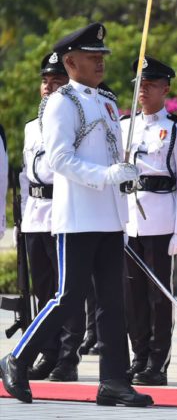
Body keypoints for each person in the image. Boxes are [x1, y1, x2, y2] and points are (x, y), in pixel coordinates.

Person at [0, 22, 153, 407]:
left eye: (102, 56)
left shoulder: (106, 102)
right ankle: (17, 358)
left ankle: (113, 380)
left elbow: (109, 154)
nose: (100, 62)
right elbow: (60, 159)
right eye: (91, 56)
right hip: (79, 216)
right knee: (68, 297)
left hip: (109, 216)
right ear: (70, 62)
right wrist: (106, 176)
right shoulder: (61, 102)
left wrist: (124, 176)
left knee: (112, 302)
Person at [121, 56, 177, 386]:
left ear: (165, 89)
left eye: (151, 85)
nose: (143, 90)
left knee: (158, 296)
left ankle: (157, 361)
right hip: (129, 221)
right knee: (132, 296)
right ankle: (138, 356)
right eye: (140, 84)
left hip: (161, 220)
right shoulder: (125, 127)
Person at [20, 53, 86, 383]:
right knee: (43, 290)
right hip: (35, 214)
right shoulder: (31, 127)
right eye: (45, 81)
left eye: (56, 81)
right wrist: (22, 216)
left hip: (61, 212)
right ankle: (47, 351)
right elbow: (25, 175)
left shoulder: (72, 123)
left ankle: (68, 356)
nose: (48, 87)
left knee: (66, 291)